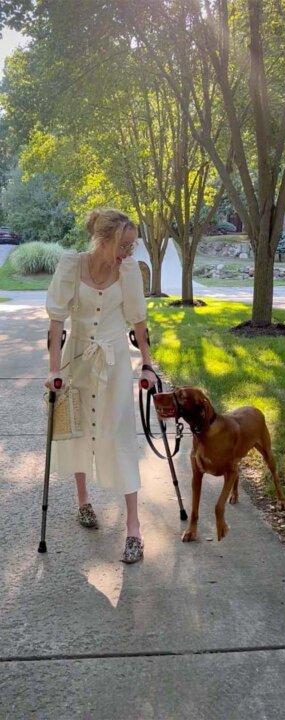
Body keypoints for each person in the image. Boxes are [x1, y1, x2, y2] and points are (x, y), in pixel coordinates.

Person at [45, 209, 159, 564]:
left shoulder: (128, 271)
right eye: (124, 244)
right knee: (76, 430)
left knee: (119, 436)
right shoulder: (71, 265)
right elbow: (55, 323)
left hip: (113, 364)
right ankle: (83, 503)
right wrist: (52, 371)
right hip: (76, 358)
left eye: (133, 244)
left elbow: (138, 320)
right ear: (104, 239)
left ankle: (134, 529)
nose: (130, 250)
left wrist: (147, 362)